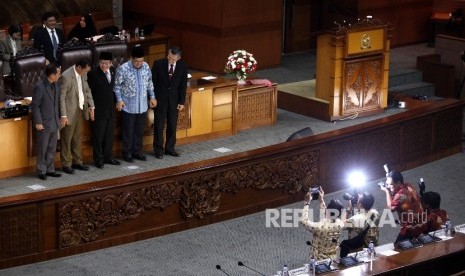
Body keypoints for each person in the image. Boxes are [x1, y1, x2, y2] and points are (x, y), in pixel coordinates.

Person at [114, 46, 157, 162]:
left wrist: (152, 96)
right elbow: (116, 87)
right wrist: (119, 100)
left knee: (139, 130)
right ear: (131, 58)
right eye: (137, 61)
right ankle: (126, 153)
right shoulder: (123, 69)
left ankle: (137, 151)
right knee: (128, 131)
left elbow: (149, 83)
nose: (139, 63)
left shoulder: (146, 67)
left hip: (142, 105)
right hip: (128, 106)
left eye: (141, 61)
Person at [151, 46, 188, 159]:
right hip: (160, 101)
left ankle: (170, 148)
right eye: (169, 57)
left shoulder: (183, 66)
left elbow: (183, 85)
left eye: (173, 59)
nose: (170, 60)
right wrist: (152, 98)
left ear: (179, 58)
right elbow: (152, 83)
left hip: (174, 101)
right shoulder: (158, 64)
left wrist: (182, 101)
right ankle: (158, 150)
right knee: (159, 126)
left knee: (172, 125)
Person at [59, 58, 95, 174]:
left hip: (80, 109)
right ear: (78, 67)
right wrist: (63, 115)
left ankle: (78, 162)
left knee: (77, 138)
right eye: (84, 71)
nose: (85, 74)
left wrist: (91, 106)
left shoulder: (83, 74)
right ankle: (66, 164)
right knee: (67, 139)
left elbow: (87, 90)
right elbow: (62, 98)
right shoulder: (66, 76)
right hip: (69, 113)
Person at [87, 52, 120, 168]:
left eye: (106, 63)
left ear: (111, 63)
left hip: (110, 110)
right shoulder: (93, 74)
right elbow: (88, 92)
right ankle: (98, 160)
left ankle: (109, 157)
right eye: (102, 63)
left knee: (109, 136)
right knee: (98, 137)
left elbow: (114, 88)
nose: (104, 65)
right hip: (98, 110)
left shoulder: (112, 71)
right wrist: (90, 107)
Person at [30, 63, 62, 180]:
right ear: (52, 75)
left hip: (54, 122)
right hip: (43, 123)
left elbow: (56, 104)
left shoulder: (57, 86)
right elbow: (35, 106)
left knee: (52, 148)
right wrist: (38, 122)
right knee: (42, 148)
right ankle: (41, 171)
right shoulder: (40, 87)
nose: (60, 75)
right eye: (58, 73)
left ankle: (50, 169)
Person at [380, 170, 427, 243]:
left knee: (397, 248)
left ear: (398, 183)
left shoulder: (399, 195)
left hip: (411, 228)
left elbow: (390, 209)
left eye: (391, 184)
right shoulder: (409, 186)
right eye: (387, 184)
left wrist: (387, 191)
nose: (389, 186)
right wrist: (391, 189)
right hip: (422, 223)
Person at [301, 186, 344, 261]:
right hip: (333, 258)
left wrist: (306, 203)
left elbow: (304, 221)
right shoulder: (341, 224)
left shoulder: (319, 227)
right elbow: (328, 215)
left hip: (318, 260)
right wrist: (321, 200)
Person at [340, 192, 380, 257]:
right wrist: (362, 198)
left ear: (361, 205)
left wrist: (348, 210)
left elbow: (341, 225)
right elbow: (364, 212)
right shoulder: (375, 214)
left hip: (360, 254)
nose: (356, 201)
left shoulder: (355, 219)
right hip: (372, 251)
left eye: (357, 200)